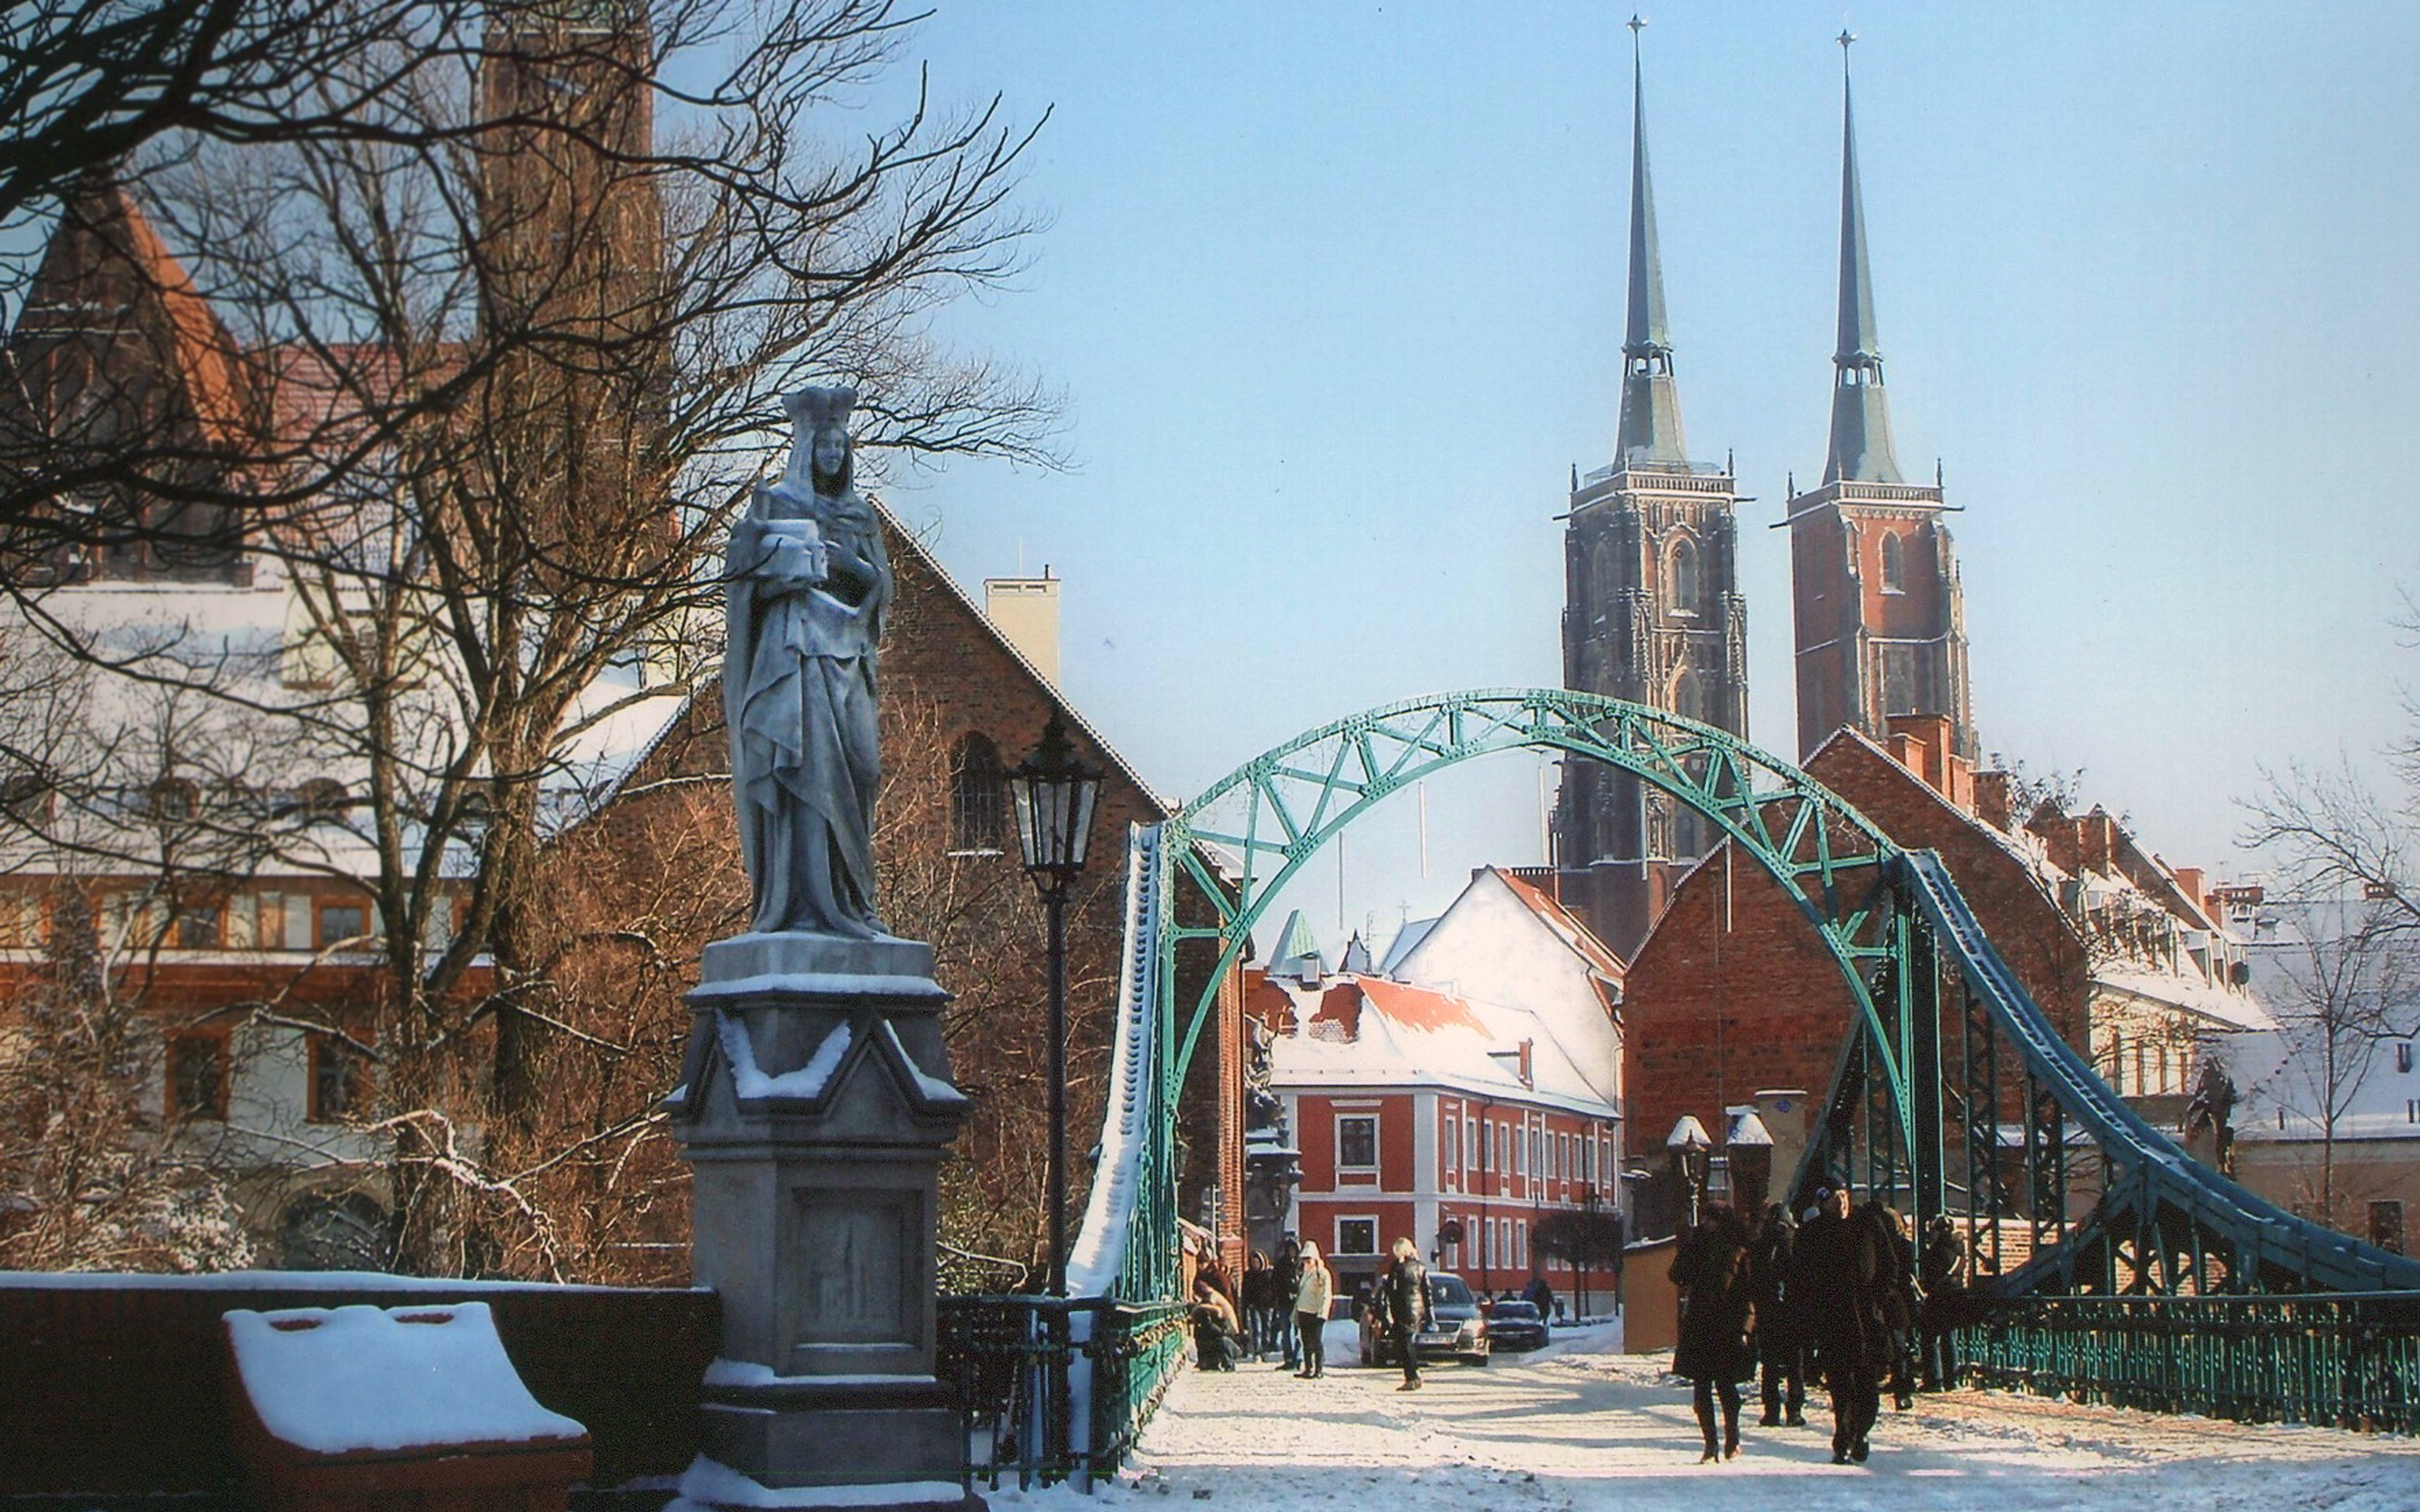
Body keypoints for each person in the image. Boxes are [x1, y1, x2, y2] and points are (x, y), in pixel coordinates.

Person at [725, 386, 893, 939]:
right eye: (823, 447)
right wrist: (775, 567)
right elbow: (745, 593)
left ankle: (854, 896)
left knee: (863, 771)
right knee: (803, 769)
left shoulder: (860, 514)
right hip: (795, 655)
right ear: (806, 450)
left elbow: (881, 592)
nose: (832, 456)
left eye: (840, 448)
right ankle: (805, 903)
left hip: (849, 654)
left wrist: (855, 570)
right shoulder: (779, 506)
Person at [1795, 1185, 1885, 1465]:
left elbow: (1891, 1266)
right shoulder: (1812, 1234)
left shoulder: (1867, 1227)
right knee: (1840, 1383)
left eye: (1845, 1196)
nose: (1842, 1203)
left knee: (1868, 1385)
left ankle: (1861, 1430)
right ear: (1824, 1204)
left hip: (1867, 1319)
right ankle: (1843, 1436)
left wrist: (1880, 1301)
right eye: (1836, 1198)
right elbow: (1800, 1278)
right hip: (1831, 1319)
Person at [1669, 1205, 1756, 1462]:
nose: (1707, 1224)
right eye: (1705, 1219)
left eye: (1711, 1220)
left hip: (1727, 1327)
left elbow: (1749, 1293)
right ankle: (1710, 1445)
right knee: (1702, 1389)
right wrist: (1690, 1244)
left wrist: (1745, 1327)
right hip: (1700, 1325)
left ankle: (1732, 1438)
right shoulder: (1698, 1247)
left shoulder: (1738, 1251)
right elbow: (1676, 1275)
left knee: (1727, 1388)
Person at [1748, 1204, 1805, 1428]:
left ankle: (1771, 1410)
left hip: (1768, 1311)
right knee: (1795, 1362)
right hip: (1793, 1311)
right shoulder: (1797, 1242)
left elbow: (1755, 1279)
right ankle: (1795, 1409)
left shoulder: (1762, 1245)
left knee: (1770, 1363)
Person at [1867, 1204, 1920, 1411]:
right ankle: (1903, 1389)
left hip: (1880, 1301)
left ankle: (1882, 1386)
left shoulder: (1872, 1245)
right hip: (1898, 1302)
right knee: (1900, 1347)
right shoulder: (1904, 1246)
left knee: (1879, 1347)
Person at [1918, 1215, 1969, 1390]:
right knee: (1949, 1337)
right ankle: (1952, 1379)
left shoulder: (1935, 1251)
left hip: (1938, 1297)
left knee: (1930, 1339)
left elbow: (1929, 1277)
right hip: (1955, 1297)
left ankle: (1934, 1380)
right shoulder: (1959, 1250)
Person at [1380, 1238, 1435, 1391]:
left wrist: (1388, 1313)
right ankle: (1413, 1375)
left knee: (1404, 1345)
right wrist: (1429, 1315)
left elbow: (1391, 1291)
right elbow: (1427, 1292)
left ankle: (1412, 1376)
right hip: (1417, 1311)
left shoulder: (1398, 1268)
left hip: (1402, 1309)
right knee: (1408, 1343)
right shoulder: (1421, 1267)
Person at [1292, 1240, 1333, 1378]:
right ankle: (1308, 1367)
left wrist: (1323, 1313)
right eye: (1305, 1260)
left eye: (1309, 1260)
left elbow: (1326, 1294)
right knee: (1306, 1341)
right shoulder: (1304, 1274)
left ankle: (1318, 1370)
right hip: (1304, 1310)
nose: (1306, 1263)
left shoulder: (1322, 1274)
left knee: (1316, 1341)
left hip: (1316, 1313)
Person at [1190, 1276, 1241, 1371]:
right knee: (1205, 1334)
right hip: (1222, 1326)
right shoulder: (1210, 1295)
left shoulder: (1212, 1295)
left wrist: (1198, 1308)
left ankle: (1226, 1361)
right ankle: (1210, 1362)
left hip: (1228, 1327)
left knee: (1216, 1338)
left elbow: (1218, 1310)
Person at [1241, 1250, 1280, 1361]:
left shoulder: (1267, 1275)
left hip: (1266, 1306)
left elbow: (1273, 1290)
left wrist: (1273, 1302)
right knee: (1256, 1329)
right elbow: (1245, 1292)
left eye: (1257, 1262)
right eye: (1253, 1262)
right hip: (1254, 1306)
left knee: (1266, 1328)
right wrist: (1246, 1305)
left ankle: (1265, 1350)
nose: (1255, 1265)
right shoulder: (1248, 1276)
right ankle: (1257, 1351)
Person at [1273, 1236, 1304, 1371]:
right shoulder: (1281, 1265)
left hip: (1299, 1303)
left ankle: (1297, 1358)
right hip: (1285, 1302)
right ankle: (1288, 1358)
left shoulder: (1302, 1265)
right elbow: (1275, 1283)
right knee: (1286, 1331)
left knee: (1299, 1333)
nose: (1292, 1252)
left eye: (1294, 1250)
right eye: (1290, 1250)